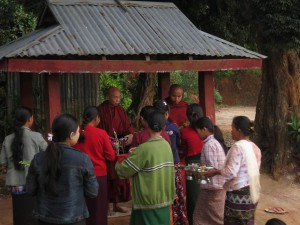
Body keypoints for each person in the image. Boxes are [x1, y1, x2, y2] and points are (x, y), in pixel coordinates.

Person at [26, 113, 99, 225]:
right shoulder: (82, 159)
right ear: (71, 135)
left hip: (45, 218)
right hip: (75, 217)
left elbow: (30, 190)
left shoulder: (38, 159)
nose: (79, 134)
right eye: (78, 132)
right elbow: (92, 192)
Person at [115, 110, 175, 225]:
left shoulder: (144, 148)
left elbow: (122, 171)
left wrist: (121, 159)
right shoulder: (166, 145)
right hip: (165, 199)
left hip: (147, 202)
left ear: (147, 124)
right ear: (163, 126)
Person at [206, 116, 261, 225]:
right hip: (252, 192)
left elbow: (230, 172)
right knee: (248, 221)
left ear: (239, 131)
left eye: (233, 128)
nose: (231, 131)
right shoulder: (255, 148)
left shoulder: (237, 147)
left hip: (238, 195)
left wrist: (215, 172)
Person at [0, 106, 47, 225]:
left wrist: (20, 162)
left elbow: (2, 162)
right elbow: (48, 154)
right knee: (34, 213)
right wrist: (29, 163)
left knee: (19, 213)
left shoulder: (7, 138)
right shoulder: (36, 136)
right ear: (30, 119)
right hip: (34, 182)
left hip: (15, 184)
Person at [74, 106, 116, 225]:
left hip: (79, 175)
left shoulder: (76, 133)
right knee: (98, 210)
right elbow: (111, 156)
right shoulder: (101, 133)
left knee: (81, 206)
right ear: (97, 118)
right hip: (98, 176)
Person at [97, 86, 133, 213]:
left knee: (119, 176)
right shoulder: (100, 110)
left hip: (120, 146)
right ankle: (106, 205)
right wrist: (106, 139)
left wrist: (130, 135)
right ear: (108, 97)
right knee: (108, 177)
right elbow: (98, 128)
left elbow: (128, 126)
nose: (117, 100)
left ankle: (117, 204)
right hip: (106, 147)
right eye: (115, 97)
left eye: (119, 97)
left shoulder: (121, 110)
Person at [154, 100, 188, 225]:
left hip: (159, 167)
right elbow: (179, 144)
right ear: (167, 114)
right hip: (173, 164)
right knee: (176, 195)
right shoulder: (173, 127)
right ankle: (178, 219)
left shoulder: (150, 130)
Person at [193, 117, 226, 225]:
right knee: (214, 217)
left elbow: (212, 168)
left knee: (200, 218)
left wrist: (196, 170)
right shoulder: (215, 142)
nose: (197, 135)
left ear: (204, 130)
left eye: (198, 131)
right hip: (217, 187)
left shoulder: (209, 145)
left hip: (212, 188)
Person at [179, 103, 204, 225]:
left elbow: (183, 150)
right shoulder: (209, 128)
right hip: (206, 163)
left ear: (188, 117)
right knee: (206, 196)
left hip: (192, 165)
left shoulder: (184, 131)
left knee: (193, 198)